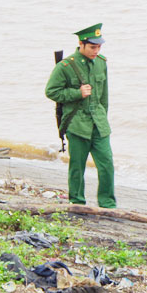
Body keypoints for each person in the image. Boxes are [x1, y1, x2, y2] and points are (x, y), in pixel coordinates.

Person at [45, 24, 116, 209]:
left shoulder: (101, 62)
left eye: (99, 46)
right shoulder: (66, 66)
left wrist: (103, 118)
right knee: (77, 167)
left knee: (107, 164)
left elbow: (104, 97)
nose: (96, 50)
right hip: (76, 124)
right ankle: (76, 203)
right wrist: (77, 93)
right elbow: (51, 91)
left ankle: (107, 204)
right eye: (93, 47)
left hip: (99, 124)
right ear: (81, 44)